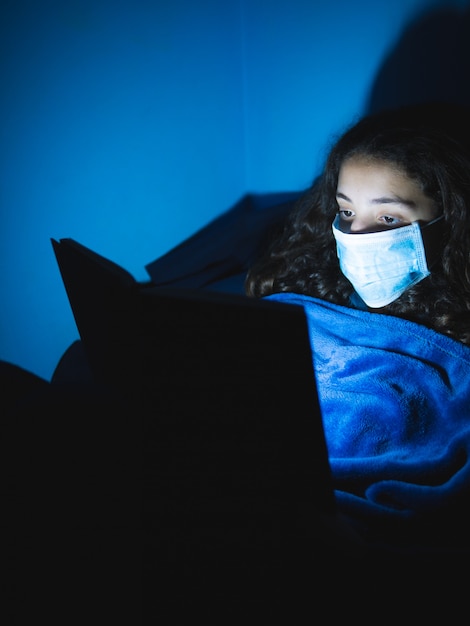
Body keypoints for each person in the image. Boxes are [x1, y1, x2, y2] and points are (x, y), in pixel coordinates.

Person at [245, 103, 470, 346]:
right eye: (348, 211)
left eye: (388, 218)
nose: (355, 234)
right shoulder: (305, 287)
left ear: (449, 218)